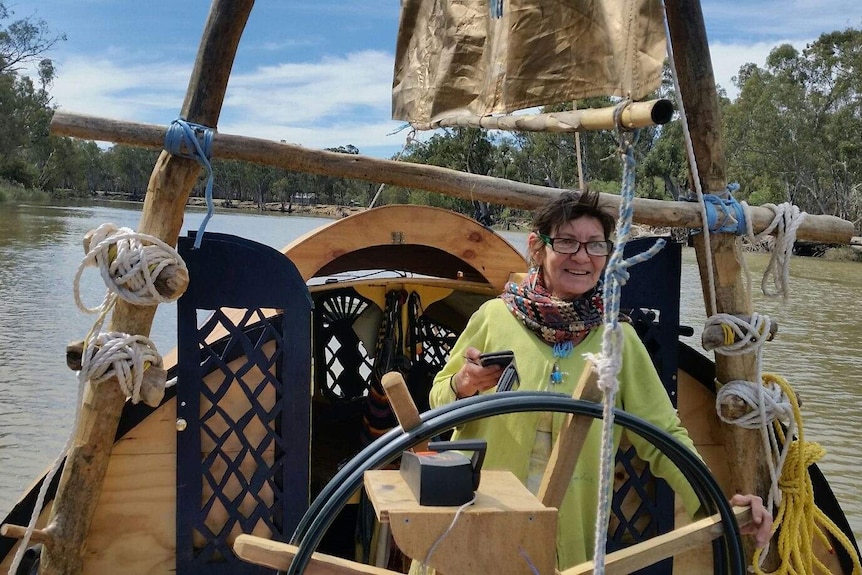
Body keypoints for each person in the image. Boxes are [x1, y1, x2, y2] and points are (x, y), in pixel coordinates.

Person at [427, 190, 772, 570]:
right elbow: (438, 401)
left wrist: (717, 502)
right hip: (475, 518)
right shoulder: (493, 317)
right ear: (537, 248)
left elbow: (664, 436)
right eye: (567, 242)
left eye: (595, 246)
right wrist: (463, 384)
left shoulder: (618, 340)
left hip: (564, 539)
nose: (581, 257)